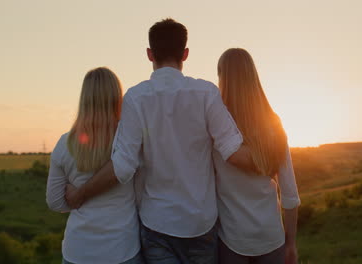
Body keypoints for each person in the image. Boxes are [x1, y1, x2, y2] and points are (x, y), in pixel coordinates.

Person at [64, 19, 256, 264]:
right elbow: (233, 151)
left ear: (149, 54)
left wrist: (80, 194)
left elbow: (122, 166)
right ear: (185, 54)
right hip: (201, 224)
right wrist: (274, 158)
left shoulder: (135, 98)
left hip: (157, 224)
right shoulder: (206, 93)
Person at [46, 67, 144, 264]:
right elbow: (142, 196)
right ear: (117, 97)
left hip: (78, 251)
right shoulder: (128, 140)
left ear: (84, 98)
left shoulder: (64, 143)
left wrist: (73, 193)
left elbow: (55, 202)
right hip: (121, 249)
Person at [214, 48, 301, 264]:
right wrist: (291, 244)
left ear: (222, 77)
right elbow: (290, 194)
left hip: (231, 239)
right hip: (272, 238)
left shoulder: (216, 127)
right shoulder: (273, 124)